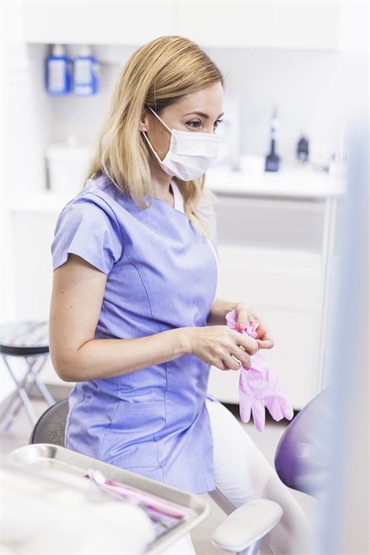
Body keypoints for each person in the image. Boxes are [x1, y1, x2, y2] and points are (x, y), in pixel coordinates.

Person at [49, 36, 312, 554]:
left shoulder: (185, 197)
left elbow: (158, 297)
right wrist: (190, 340)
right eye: (193, 123)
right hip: (127, 432)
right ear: (143, 116)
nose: (208, 138)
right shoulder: (94, 219)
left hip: (190, 408)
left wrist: (225, 311)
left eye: (215, 124)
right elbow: (69, 358)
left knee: (296, 533)